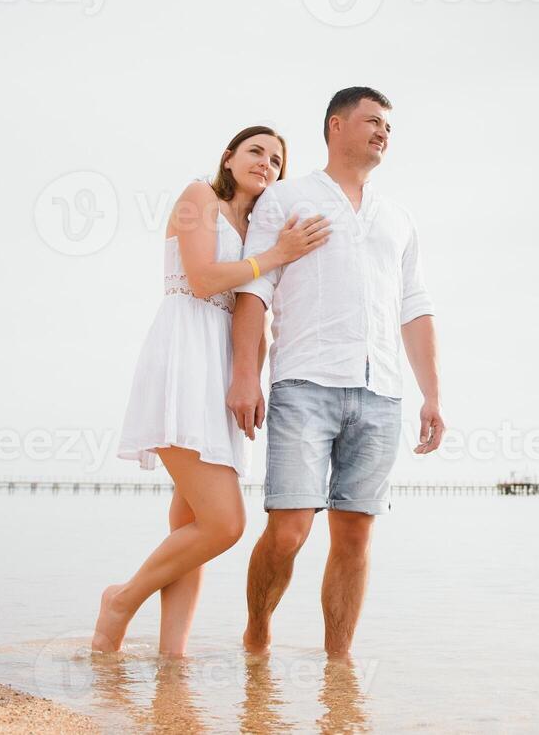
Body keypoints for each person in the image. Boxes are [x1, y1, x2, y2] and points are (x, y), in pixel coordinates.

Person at [93, 125, 330, 655]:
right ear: (229, 156)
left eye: (276, 160)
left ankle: (171, 659)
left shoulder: (259, 228)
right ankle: (121, 600)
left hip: (222, 369)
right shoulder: (199, 195)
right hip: (184, 355)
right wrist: (277, 255)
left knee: (191, 525)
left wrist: (254, 376)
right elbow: (201, 279)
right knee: (225, 524)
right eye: (255, 152)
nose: (266, 163)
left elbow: (256, 310)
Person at [227, 87, 445, 661]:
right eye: (372, 121)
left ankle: (338, 665)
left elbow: (415, 306)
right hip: (303, 383)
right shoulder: (286, 198)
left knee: (355, 536)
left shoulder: (398, 217)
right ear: (336, 126)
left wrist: (432, 396)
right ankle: (257, 634)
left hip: (381, 395)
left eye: (389, 128)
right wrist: (245, 376)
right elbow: (254, 290)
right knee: (291, 529)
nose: (383, 133)